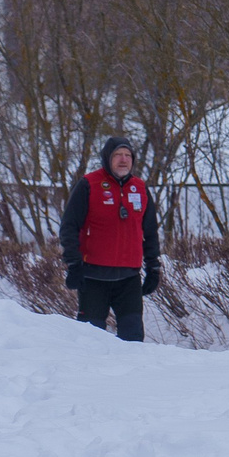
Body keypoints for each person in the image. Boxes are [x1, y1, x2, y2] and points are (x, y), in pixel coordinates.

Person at [60, 136, 161, 341]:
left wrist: (154, 267)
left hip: (129, 278)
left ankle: (132, 373)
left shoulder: (140, 189)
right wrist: (73, 263)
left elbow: (149, 231)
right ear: (107, 158)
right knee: (91, 339)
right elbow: (69, 226)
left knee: (133, 338)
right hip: (93, 278)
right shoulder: (89, 184)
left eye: (127, 155)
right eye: (117, 155)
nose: (123, 160)